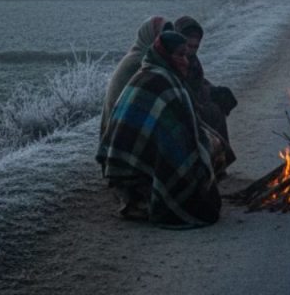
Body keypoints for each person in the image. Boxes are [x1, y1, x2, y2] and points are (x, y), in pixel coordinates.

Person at [96, 30, 221, 227]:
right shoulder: (165, 83)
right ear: (165, 54)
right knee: (207, 148)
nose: (186, 61)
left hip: (120, 163)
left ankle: (139, 199)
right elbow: (178, 140)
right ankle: (152, 197)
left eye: (187, 55)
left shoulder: (147, 71)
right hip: (132, 166)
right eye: (180, 55)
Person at [174, 16, 237, 175]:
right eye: (189, 45)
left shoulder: (192, 61)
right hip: (178, 108)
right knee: (214, 113)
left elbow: (198, 82)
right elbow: (182, 88)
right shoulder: (174, 60)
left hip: (192, 102)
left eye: (196, 46)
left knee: (219, 103)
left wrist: (214, 90)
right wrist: (208, 97)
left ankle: (217, 162)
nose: (192, 50)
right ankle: (215, 164)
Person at [100, 16, 171, 140]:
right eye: (161, 37)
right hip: (117, 130)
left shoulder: (137, 54)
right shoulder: (142, 61)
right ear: (151, 36)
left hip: (116, 124)